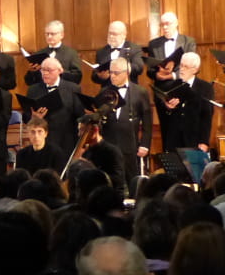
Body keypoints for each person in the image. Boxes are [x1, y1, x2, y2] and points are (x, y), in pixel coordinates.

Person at [100, 57, 152, 185]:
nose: (112, 76)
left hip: (130, 143)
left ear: (127, 73)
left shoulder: (140, 92)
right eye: (110, 72)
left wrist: (145, 144)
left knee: (131, 179)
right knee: (110, 179)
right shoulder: (104, 92)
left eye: (116, 73)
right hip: (109, 143)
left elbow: (147, 120)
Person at [25, 57, 85, 165]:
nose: (45, 73)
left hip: (65, 141)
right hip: (42, 142)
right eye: (43, 70)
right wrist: (34, 118)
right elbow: (26, 116)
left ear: (60, 71)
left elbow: (80, 114)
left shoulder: (73, 88)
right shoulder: (33, 90)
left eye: (49, 70)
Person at [153, 51, 214, 152]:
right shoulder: (172, 86)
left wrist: (204, 141)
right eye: (181, 65)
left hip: (193, 140)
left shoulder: (205, 88)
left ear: (195, 70)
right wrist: (167, 107)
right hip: (174, 140)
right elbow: (163, 112)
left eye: (186, 67)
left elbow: (206, 116)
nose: (181, 69)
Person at [79, 114, 127, 197]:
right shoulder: (86, 151)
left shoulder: (112, 151)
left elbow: (117, 181)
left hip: (110, 197)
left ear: (95, 130)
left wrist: (92, 170)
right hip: (92, 196)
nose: (79, 134)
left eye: (82, 130)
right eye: (79, 130)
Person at [24, 20, 83, 86]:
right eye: (47, 34)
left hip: (64, 91)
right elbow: (29, 82)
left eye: (52, 34)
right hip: (43, 91)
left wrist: (60, 72)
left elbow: (77, 78)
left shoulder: (71, 53)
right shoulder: (39, 54)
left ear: (62, 35)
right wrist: (32, 71)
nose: (49, 37)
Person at [91, 21, 145, 87]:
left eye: (114, 34)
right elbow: (94, 76)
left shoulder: (134, 49)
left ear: (124, 35)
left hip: (128, 90)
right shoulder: (101, 52)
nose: (111, 36)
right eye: (109, 33)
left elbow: (138, 68)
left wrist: (121, 68)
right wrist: (100, 76)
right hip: (108, 91)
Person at [145, 12, 197, 80]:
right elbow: (150, 70)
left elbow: (192, 66)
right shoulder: (153, 44)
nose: (164, 27)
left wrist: (174, 76)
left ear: (176, 23)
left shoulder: (188, 42)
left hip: (182, 84)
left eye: (167, 24)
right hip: (161, 86)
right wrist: (156, 75)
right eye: (162, 24)